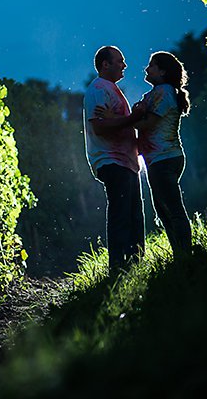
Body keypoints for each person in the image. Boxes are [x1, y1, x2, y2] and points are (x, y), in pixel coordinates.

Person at [83, 46, 147, 273]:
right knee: (122, 213)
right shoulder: (99, 89)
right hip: (112, 160)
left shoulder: (110, 89)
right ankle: (120, 267)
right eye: (120, 61)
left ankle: (135, 264)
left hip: (125, 162)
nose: (124, 65)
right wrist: (134, 118)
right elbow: (99, 127)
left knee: (133, 213)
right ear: (105, 65)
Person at [133, 51, 192, 258]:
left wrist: (121, 121)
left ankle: (185, 256)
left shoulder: (163, 92)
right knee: (164, 209)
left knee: (173, 210)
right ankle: (181, 255)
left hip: (163, 159)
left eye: (152, 65)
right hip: (162, 158)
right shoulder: (160, 92)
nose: (147, 69)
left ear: (162, 71)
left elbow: (149, 123)